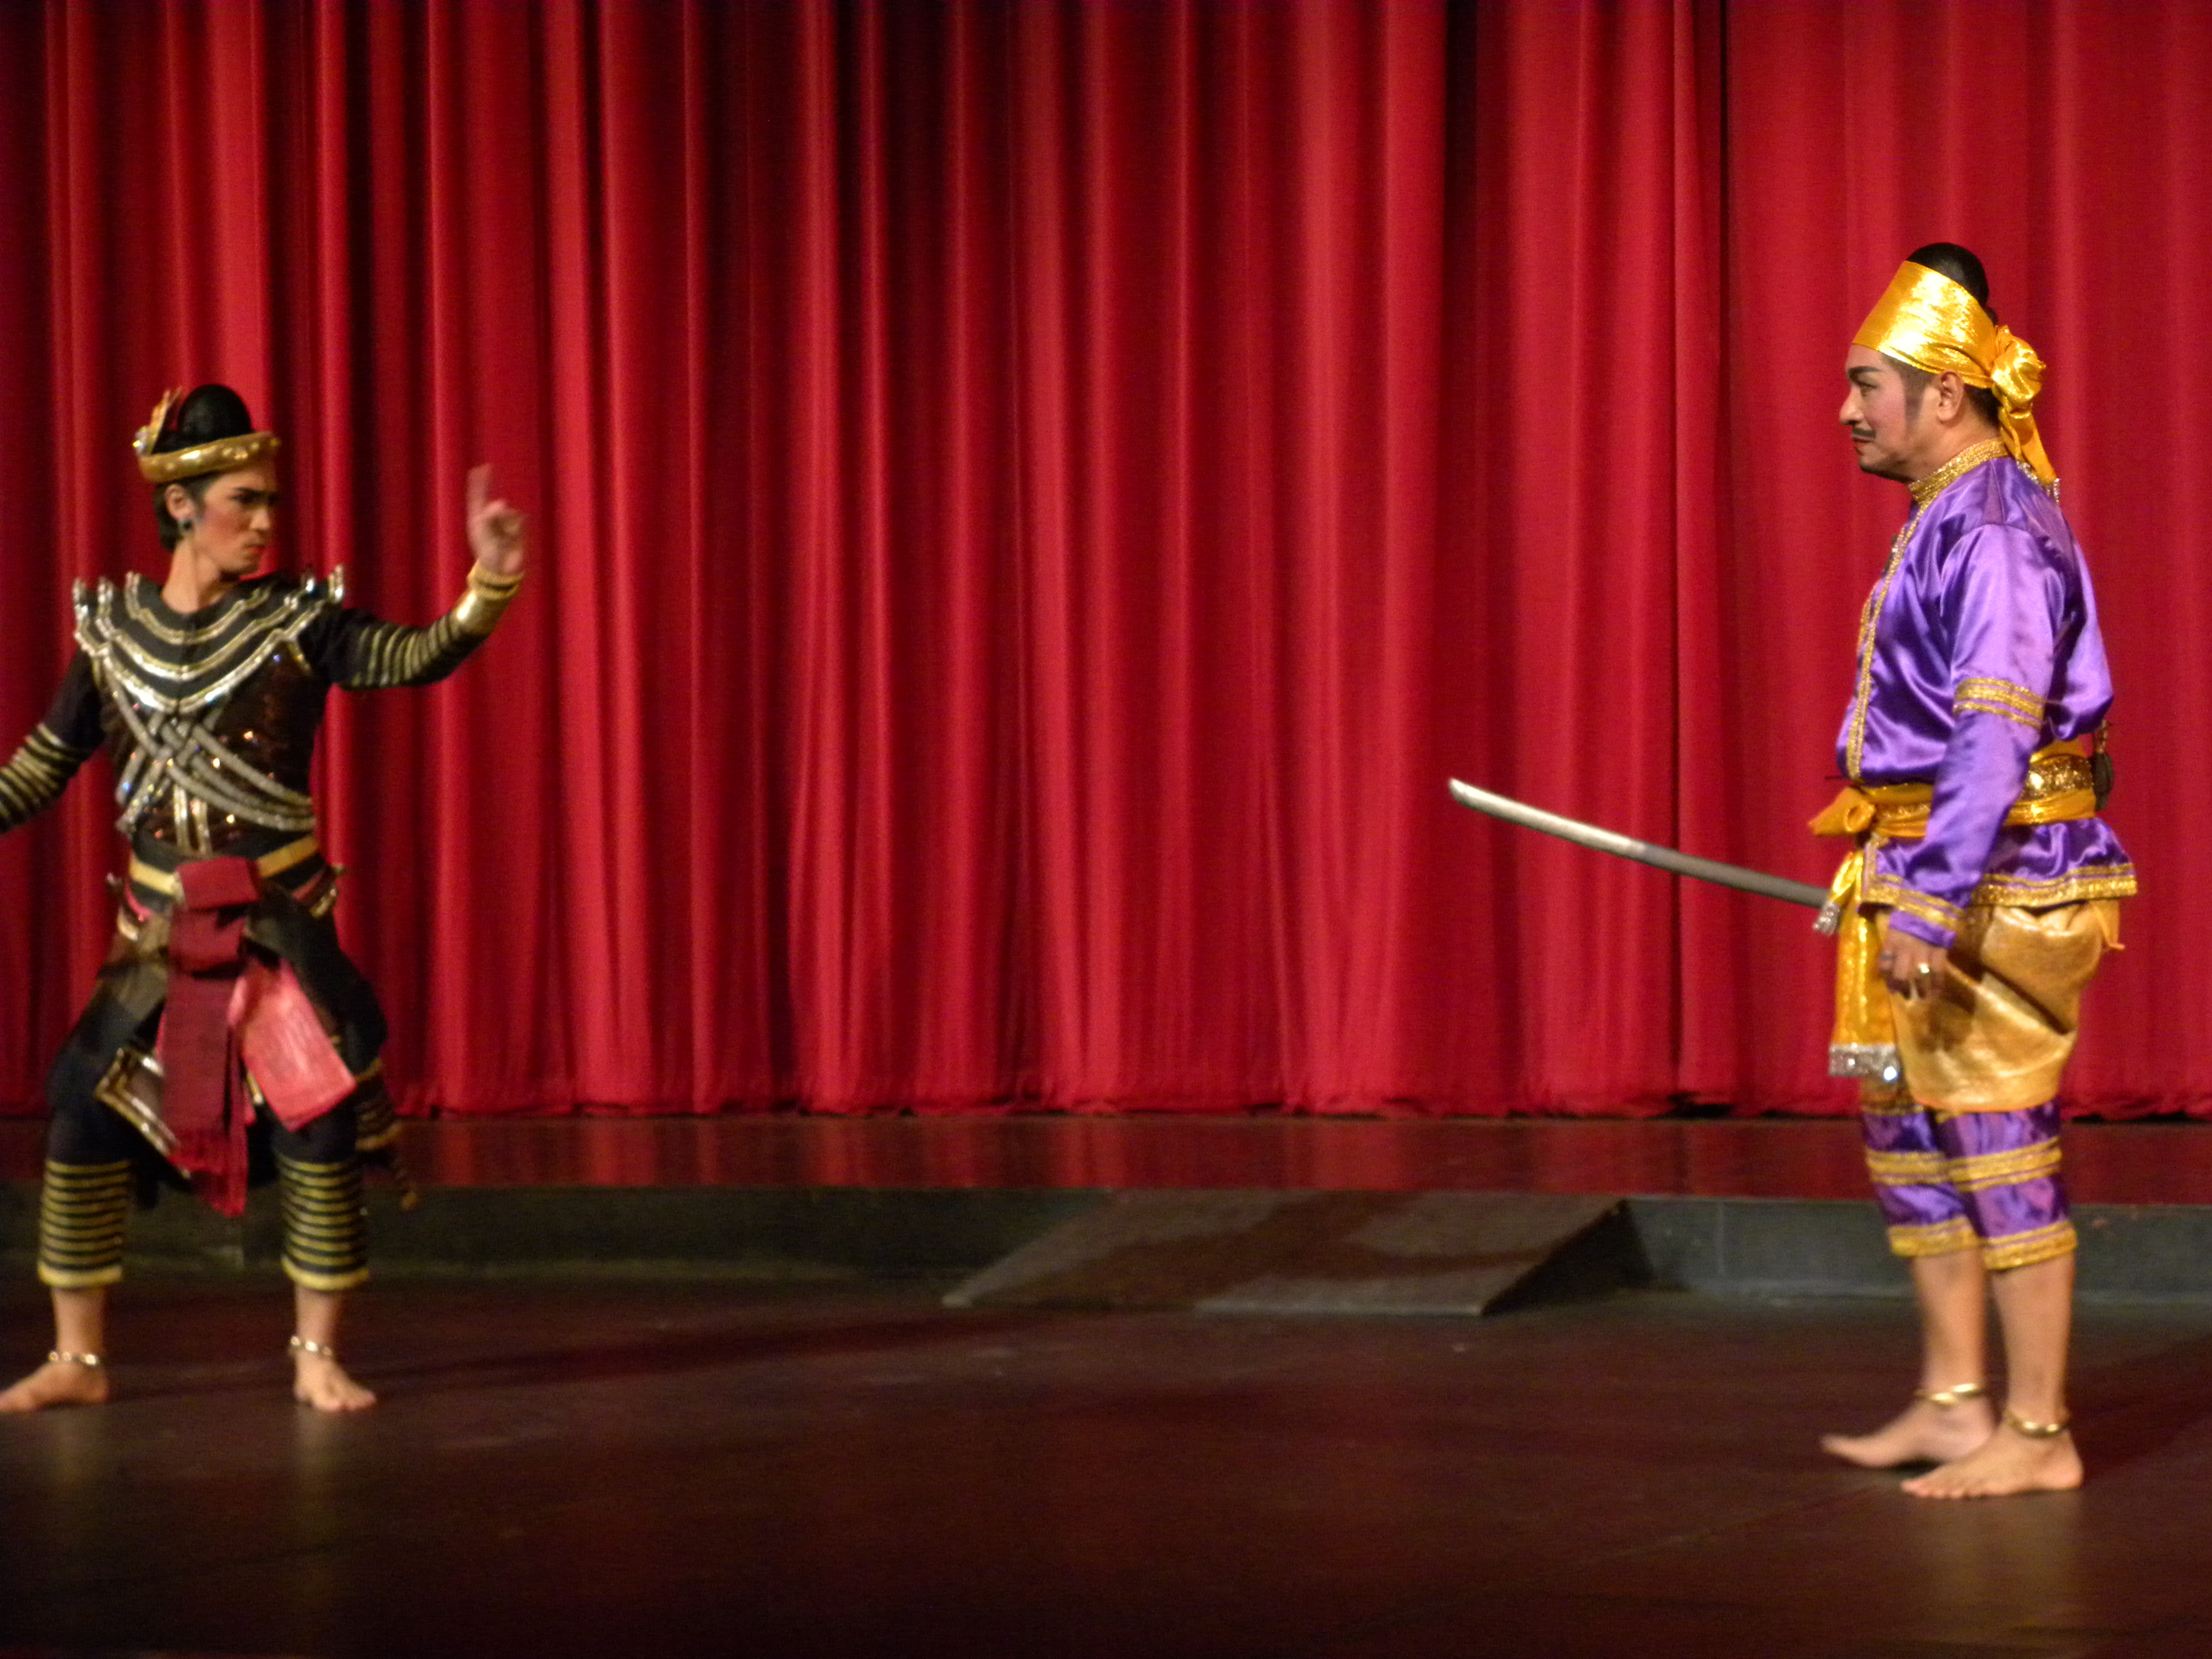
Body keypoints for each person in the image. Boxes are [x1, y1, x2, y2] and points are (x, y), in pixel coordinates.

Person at [0, 384, 525, 1413]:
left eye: (271, 502)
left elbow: (411, 657)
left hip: (278, 935)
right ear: (182, 505)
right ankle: (77, 1362)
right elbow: (37, 772)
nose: (266, 522)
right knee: (80, 1123)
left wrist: (488, 587)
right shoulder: (110, 638)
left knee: (317, 1128)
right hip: (156, 941)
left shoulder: (300, 622)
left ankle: (315, 1354)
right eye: (246, 500)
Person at [1810, 245, 2134, 1498]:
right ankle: (1956, 1403)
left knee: (1996, 1139)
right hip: (1916, 863)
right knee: (1912, 1135)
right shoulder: (1944, 515)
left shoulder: (1993, 527)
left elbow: (1994, 729)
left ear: (1943, 393)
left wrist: (1934, 898)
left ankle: (2039, 1434)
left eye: (1865, 385)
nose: (1847, 410)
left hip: (1998, 875)